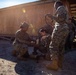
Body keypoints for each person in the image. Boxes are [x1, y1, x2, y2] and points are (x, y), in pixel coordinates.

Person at [46, 1, 69, 70]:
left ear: (57, 4)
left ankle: (54, 64)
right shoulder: (64, 9)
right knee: (61, 47)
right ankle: (60, 63)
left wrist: (52, 17)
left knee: (53, 46)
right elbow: (63, 19)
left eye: (55, 6)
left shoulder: (60, 8)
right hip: (65, 29)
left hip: (60, 29)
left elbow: (60, 19)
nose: (55, 7)